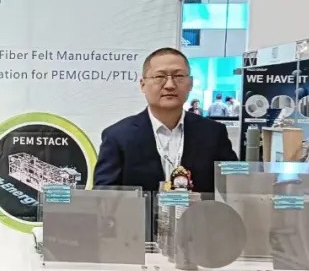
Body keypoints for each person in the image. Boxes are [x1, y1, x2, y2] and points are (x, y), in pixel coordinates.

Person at [93, 47, 237, 193]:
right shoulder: (118, 136)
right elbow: (104, 196)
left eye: (178, 76)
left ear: (190, 83)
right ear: (143, 85)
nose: (170, 85)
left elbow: (233, 188)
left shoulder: (213, 133)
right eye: (159, 77)